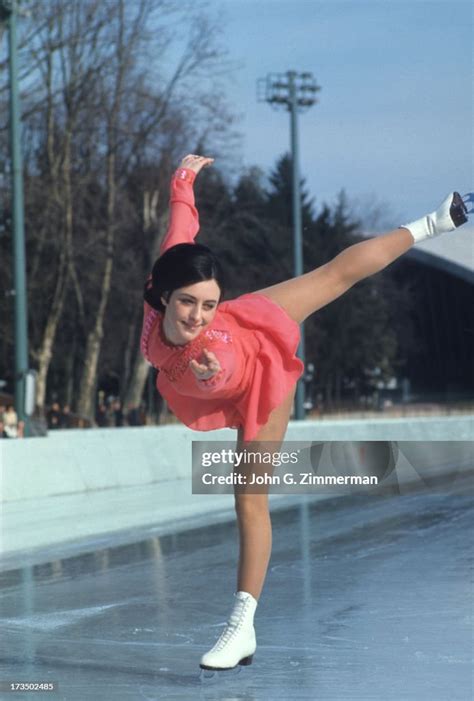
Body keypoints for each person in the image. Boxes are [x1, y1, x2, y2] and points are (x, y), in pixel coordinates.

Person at [140, 154, 469, 672]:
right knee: (332, 275)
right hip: (244, 326)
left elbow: (221, 373)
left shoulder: (213, 343)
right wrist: (183, 180)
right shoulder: (161, 299)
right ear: (161, 294)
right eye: (188, 304)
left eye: (207, 304)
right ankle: (435, 222)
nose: (197, 316)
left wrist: (208, 374)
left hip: (259, 382)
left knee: (248, 498)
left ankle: (241, 625)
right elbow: (182, 226)